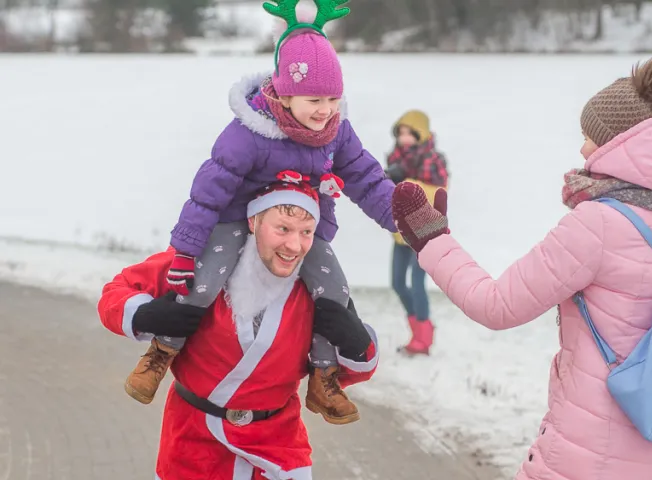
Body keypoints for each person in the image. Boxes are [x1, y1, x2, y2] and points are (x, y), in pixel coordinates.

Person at [391, 56, 652, 479]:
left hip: (587, 455)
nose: (582, 149)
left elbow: (497, 305)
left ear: (620, 144)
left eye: (590, 138)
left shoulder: (598, 225)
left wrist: (432, 241)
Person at [123, 0, 396, 426]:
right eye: (313, 98)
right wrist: (184, 251)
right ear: (284, 93)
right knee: (203, 280)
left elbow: (366, 177)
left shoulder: (335, 131)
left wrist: (405, 217)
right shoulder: (249, 132)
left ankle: (324, 378)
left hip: (300, 222)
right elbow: (207, 194)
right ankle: (161, 352)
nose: (324, 109)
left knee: (334, 292)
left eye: (332, 98)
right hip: (236, 218)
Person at [98, 178, 379, 480]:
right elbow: (117, 291)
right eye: (282, 229)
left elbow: (347, 372)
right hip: (192, 447)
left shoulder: (315, 290)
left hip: (276, 452)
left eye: (306, 232)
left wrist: (355, 342)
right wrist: (146, 315)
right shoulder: (201, 267)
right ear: (254, 221)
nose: (294, 246)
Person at [384, 110, 449, 355]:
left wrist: (409, 182)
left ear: (420, 133)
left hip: (425, 231)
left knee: (417, 282)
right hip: (401, 233)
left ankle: (423, 338)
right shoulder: (394, 159)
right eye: (400, 133)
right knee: (398, 283)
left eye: (409, 133)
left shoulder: (433, 160)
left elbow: (438, 194)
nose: (404, 138)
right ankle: (418, 331)